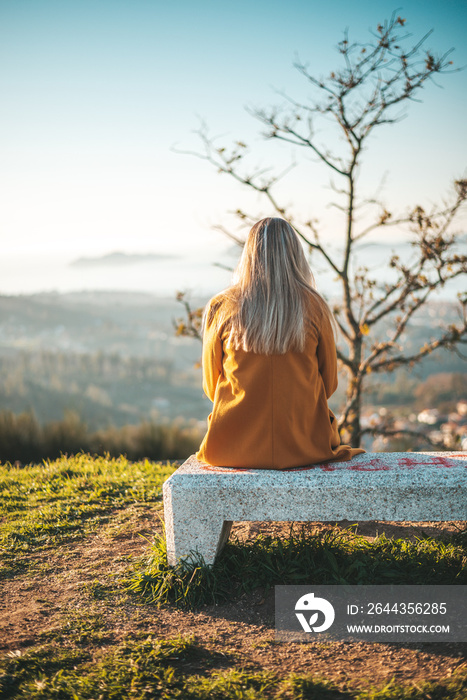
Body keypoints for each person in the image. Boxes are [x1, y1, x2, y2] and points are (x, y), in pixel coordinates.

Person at [197, 217, 365, 469]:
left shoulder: (221, 306)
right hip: (306, 445)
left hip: (230, 446)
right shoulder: (315, 305)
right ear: (295, 254)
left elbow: (212, 386)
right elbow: (328, 383)